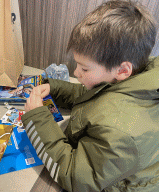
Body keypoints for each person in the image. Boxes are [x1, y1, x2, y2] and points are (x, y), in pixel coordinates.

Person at [22, 1, 159, 191]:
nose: (76, 73)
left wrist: (37, 118)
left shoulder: (120, 133)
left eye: (84, 68)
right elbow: (97, 96)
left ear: (122, 70)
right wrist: (54, 89)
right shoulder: (135, 75)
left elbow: (73, 177)